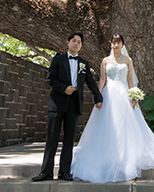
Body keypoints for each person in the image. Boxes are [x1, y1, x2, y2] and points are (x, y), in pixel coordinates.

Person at [70, 34, 154, 183]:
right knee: (106, 126)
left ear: (123, 44)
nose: (116, 45)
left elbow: (130, 80)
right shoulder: (105, 61)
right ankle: (108, 155)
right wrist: (98, 97)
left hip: (123, 95)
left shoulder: (128, 60)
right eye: (113, 43)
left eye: (118, 43)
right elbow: (102, 80)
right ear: (110, 44)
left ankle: (125, 157)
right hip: (108, 95)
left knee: (125, 126)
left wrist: (133, 96)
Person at [32, 32, 103, 182]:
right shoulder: (58, 59)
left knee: (69, 140)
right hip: (57, 103)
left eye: (79, 42)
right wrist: (64, 88)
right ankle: (46, 172)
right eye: (74, 41)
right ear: (68, 42)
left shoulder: (84, 63)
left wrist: (98, 98)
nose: (76, 44)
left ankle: (65, 172)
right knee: (52, 138)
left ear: (81, 46)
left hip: (74, 104)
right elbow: (51, 79)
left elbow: (90, 82)